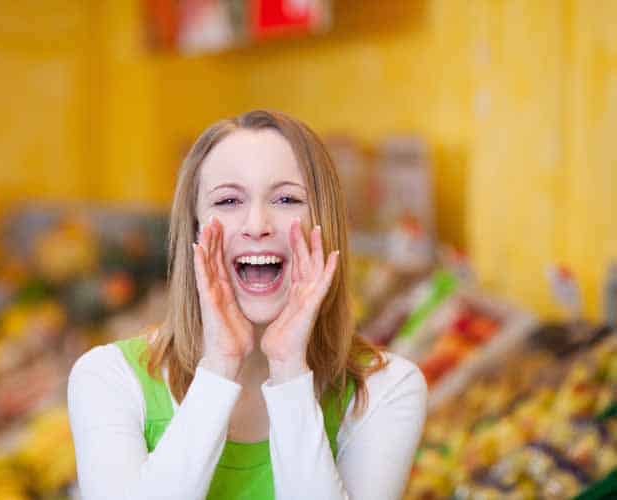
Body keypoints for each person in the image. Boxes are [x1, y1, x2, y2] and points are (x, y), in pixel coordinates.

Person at [68, 110, 427, 499]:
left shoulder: (386, 390)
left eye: (288, 198)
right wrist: (218, 368)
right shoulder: (108, 379)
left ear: (326, 224)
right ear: (194, 229)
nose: (257, 224)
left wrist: (290, 370)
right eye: (228, 200)